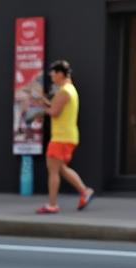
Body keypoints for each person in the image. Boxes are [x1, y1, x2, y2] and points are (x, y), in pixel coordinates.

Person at [36, 60, 94, 215]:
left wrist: (42, 108)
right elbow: (57, 108)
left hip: (61, 137)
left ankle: (52, 205)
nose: (51, 76)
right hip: (67, 136)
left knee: (53, 170)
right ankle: (84, 191)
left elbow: (54, 112)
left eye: (53, 73)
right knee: (61, 168)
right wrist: (46, 103)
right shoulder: (69, 90)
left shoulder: (64, 91)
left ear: (61, 74)